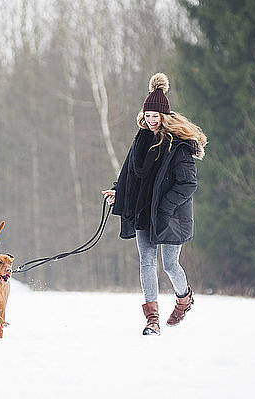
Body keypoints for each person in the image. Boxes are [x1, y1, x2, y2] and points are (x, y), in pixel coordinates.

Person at [102, 73, 207, 336]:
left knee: (170, 265)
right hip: (142, 211)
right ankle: (152, 320)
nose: (150, 120)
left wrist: (165, 207)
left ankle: (184, 299)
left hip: (171, 215)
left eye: (155, 116)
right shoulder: (141, 139)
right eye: (147, 115)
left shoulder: (180, 146)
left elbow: (187, 184)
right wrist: (118, 191)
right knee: (147, 263)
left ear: (164, 116)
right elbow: (130, 172)